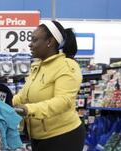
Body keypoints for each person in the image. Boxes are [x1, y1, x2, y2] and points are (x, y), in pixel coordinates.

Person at [12, 20, 85, 151]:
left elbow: (63, 101)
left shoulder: (67, 66)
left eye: (34, 40)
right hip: (38, 137)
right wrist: (0, 102)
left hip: (63, 137)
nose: (30, 44)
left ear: (49, 42)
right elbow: (23, 96)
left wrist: (29, 110)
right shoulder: (37, 66)